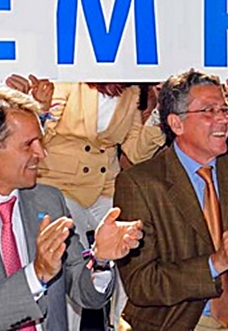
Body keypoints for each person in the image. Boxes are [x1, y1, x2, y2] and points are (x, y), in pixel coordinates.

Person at [0, 86, 142, 330]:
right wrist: (35, 276)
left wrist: (100, 260)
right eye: (29, 145)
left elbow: (87, 295)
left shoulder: (49, 201)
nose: (41, 153)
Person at [114, 70, 228, 330]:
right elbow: (142, 284)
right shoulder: (140, 184)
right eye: (208, 111)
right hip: (179, 319)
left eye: (225, 110)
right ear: (176, 124)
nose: (223, 120)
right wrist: (217, 262)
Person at [40, 82, 166, 329]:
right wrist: (41, 109)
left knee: (133, 243)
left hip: (105, 187)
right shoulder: (65, 82)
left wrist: (159, 111)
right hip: (58, 186)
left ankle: (123, 324)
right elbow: (40, 137)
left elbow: (136, 152)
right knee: (70, 255)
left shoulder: (131, 91)